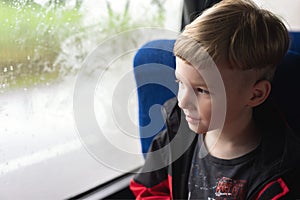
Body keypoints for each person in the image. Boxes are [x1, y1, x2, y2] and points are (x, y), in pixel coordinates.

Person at [130, 0, 300, 199]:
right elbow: (148, 189)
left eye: (202, 90)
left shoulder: (279, 177)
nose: (182, 101)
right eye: (180, 83)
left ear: (255, 94)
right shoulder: (176, 129)